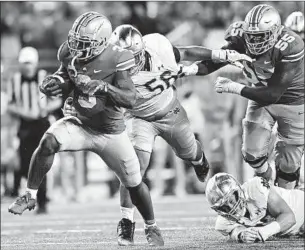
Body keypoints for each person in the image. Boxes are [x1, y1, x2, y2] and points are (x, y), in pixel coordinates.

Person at [8, 12, 164, 247]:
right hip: (80, 123)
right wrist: (57, 82)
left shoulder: (118, 57)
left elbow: (130, 98)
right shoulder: (69, 51)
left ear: (101, 42)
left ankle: (151, 226)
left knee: (134, 182)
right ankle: (30, 195)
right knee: (48, 142)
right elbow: (66, 75)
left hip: (110, 131)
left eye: (84, 44)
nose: (77, 49)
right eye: (76, 42)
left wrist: (102, 87)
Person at [101, 24, 253, 245]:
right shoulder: (111, 71)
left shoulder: (158, 47)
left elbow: (188, 54)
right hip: (138, 119)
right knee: (133, 168)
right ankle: (126, 221)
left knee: (190, 152)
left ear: (142, 51)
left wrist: (222, 55)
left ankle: (199, 160)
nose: (127, 65)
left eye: (131, 58)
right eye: (122, 59)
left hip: (170, 111)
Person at [192, 4, 304, 190]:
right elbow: (216, 61)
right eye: (251, 35)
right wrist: (189, 69)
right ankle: (266, 180)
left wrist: (235, 87)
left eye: (260, 36)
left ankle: (286, 198)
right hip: (260, 95)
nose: (254, 41)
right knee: (252, 153)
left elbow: (274, 94)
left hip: (293, 101)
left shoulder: (290, 44)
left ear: (276, 31)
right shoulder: (240, 37)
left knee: (289, 165)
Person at [6, 47, 62, 213]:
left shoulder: (44, 77)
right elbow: (9, 104)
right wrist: (23, 111)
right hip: (24, 125)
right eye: (24, 63)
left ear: (35, 63)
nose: (27, 67)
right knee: (24, 164)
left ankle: (43, 202)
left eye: (30, 63)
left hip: (41, 123)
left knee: (41, 163)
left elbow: (57, 100)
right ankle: (31, 196)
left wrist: (44, 110)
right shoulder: (14, 80)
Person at [206, 173, 304, 243]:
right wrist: (241, 235)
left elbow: (289, 217)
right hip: (297, 231)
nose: (232, 208)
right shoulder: (222, 223)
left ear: (238, 191)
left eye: (231, 201)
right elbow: (234, 231)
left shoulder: (256, 188)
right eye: (225, 207)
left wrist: (264, 232)